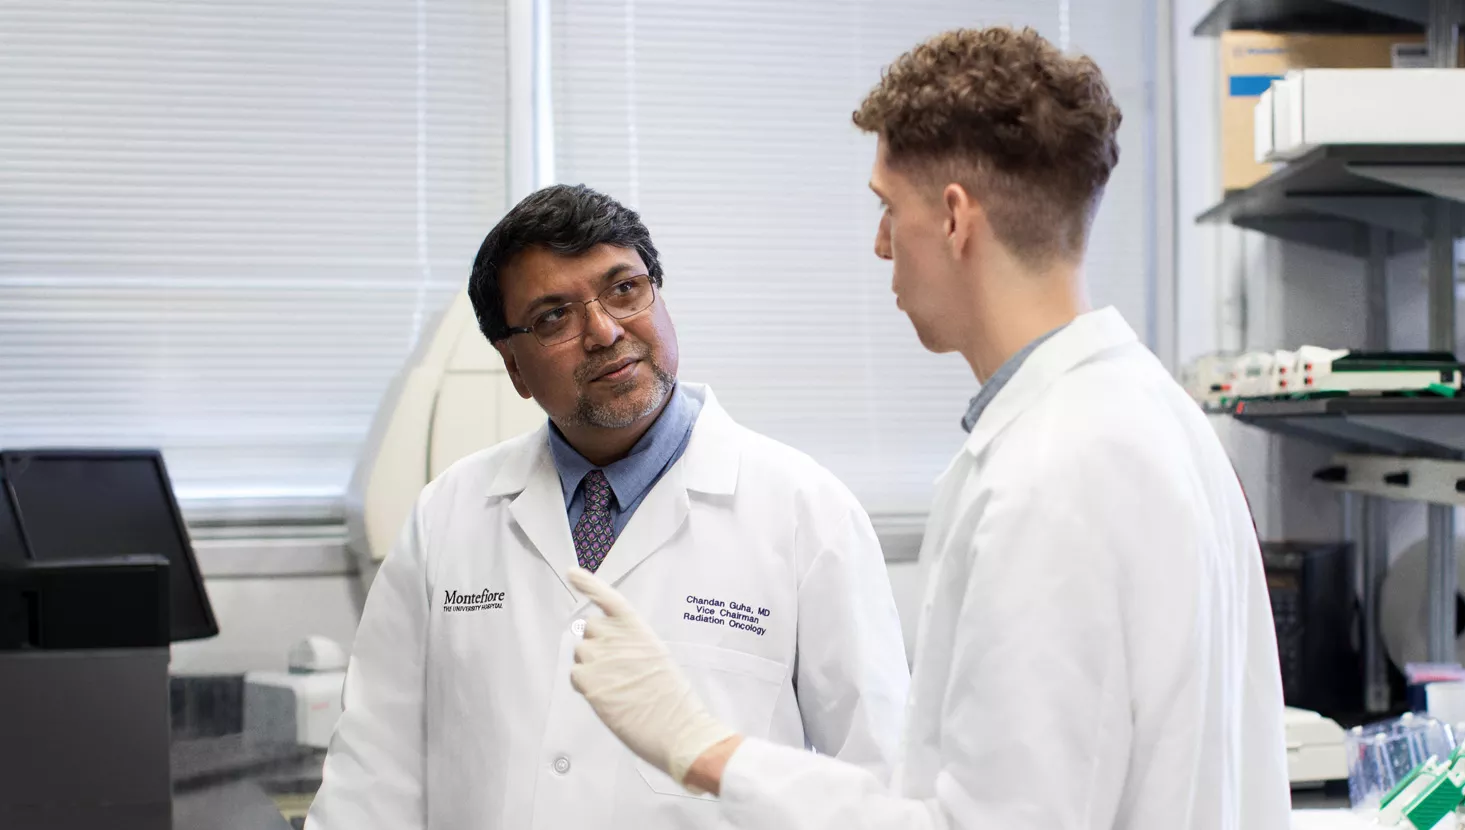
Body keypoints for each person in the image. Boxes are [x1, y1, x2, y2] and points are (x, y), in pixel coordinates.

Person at [565, 26, 1292, 830]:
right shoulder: (1154, 415)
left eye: (887, 208)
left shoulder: (1049, 476)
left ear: (954, 219)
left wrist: (703, 749)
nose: (880, 246)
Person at [305, 184, 910, 829]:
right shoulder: (447, 516)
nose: (604, 330)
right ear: (512, 365)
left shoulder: (805, 513)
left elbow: (881, 781)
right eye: (552, 318)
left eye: (624, 289)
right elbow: (371, 781)